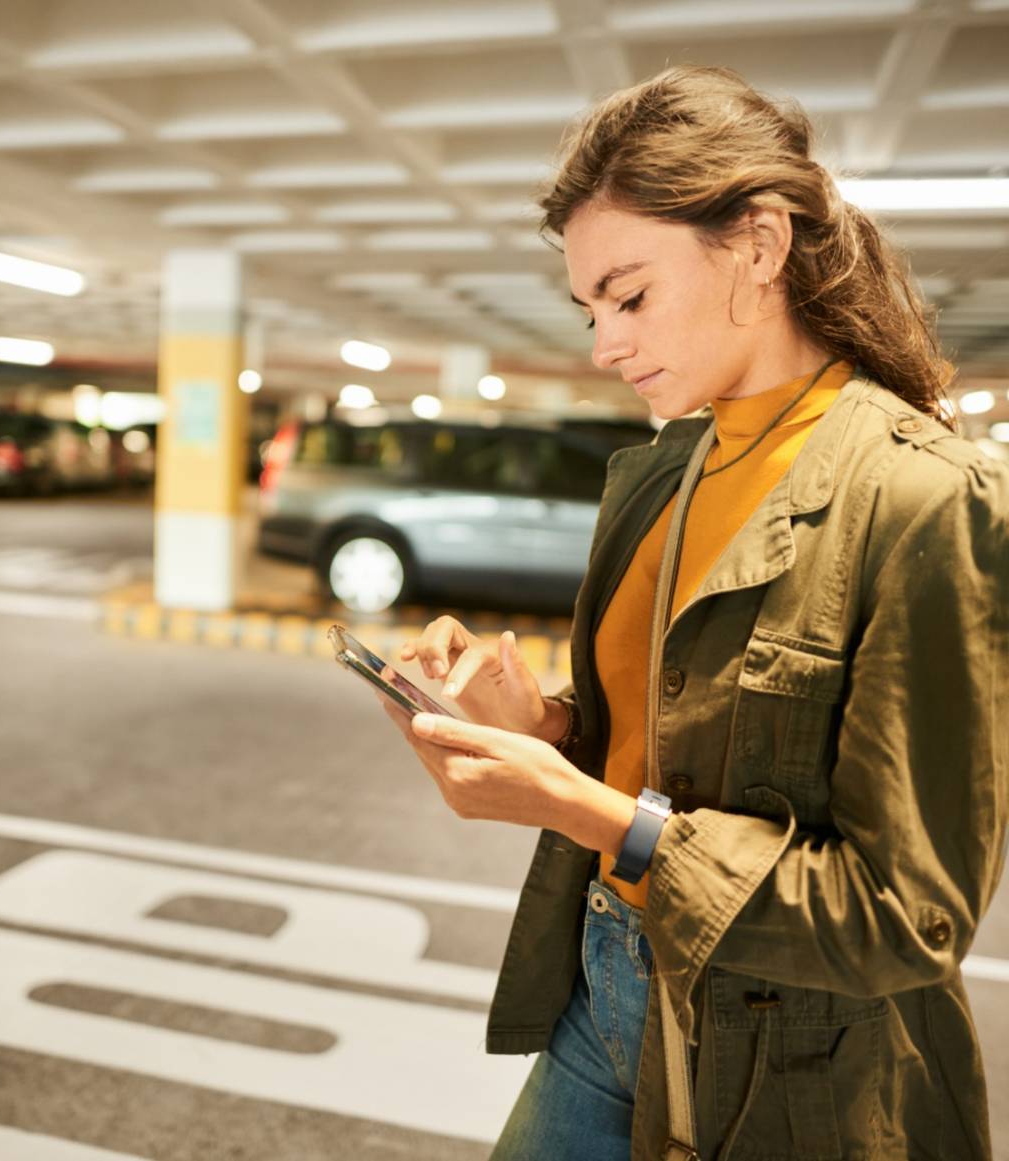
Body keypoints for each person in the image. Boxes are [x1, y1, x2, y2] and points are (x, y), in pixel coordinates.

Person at [381, 65, 1009, 1161]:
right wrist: (545, 731)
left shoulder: (922, 497)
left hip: (792, 1058)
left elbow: (904, 916)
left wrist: (585, 813)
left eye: (628, 296)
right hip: (606, 985)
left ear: (760, 247)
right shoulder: (670, 470)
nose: (603, 346)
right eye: (589, 309)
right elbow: (685, 734)